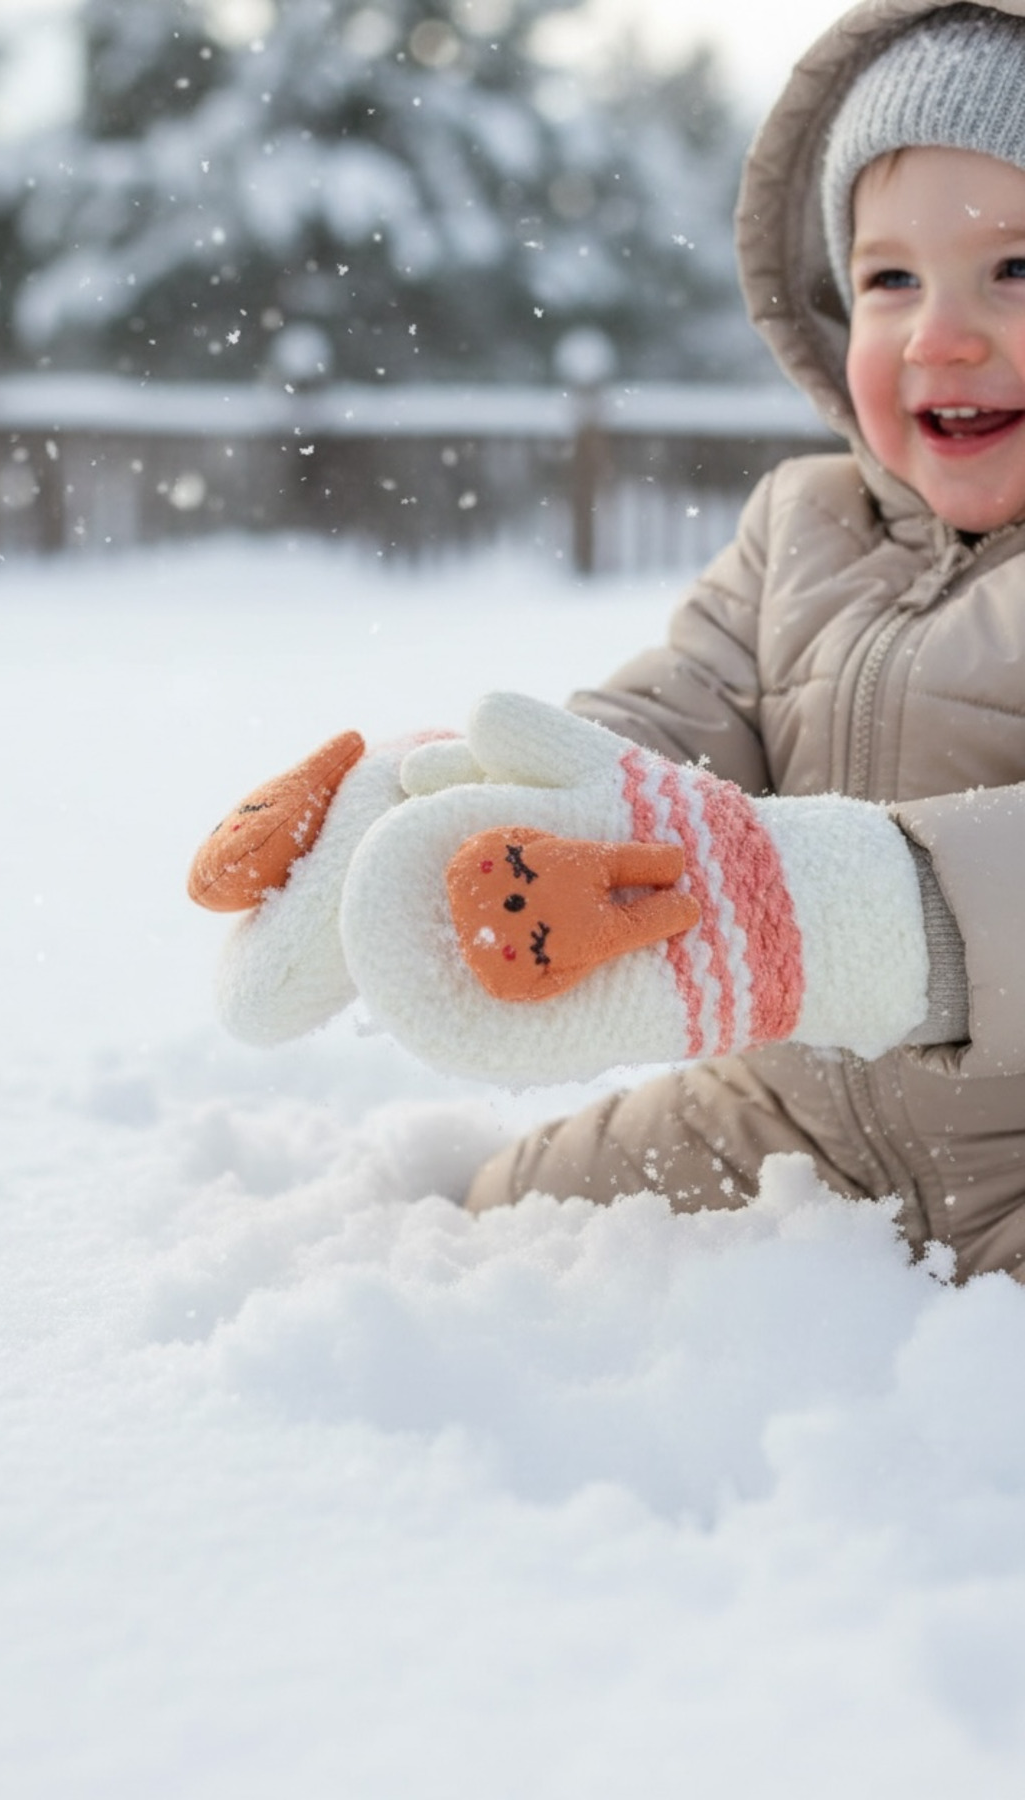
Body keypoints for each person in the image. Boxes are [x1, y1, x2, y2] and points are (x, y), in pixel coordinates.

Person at [194, 0, 1025, 1284]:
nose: (942, 333)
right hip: (790, 1119)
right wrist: (454, 800)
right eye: (890, 278)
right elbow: (669, 723)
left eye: (1015, 269)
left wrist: (852, 909)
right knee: (484, 1229)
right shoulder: (803, 528)